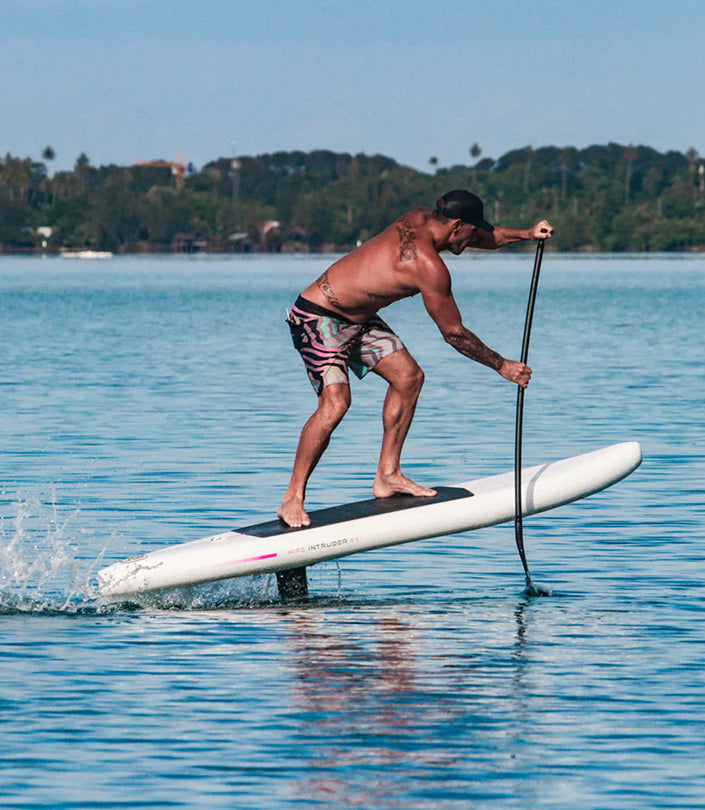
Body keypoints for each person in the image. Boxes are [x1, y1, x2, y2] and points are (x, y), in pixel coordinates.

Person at [278, 189, 554, 527]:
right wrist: (502, 365)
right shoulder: (428, 266)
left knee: (409, 378)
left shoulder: (422, 217)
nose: (473, 241)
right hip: (318, 316)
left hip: (358, 318)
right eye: (470, 232)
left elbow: (488, 235)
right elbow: (453, 333)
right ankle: (292, 499)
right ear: (456, 226)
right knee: (336, 403)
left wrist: (527, 234)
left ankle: (388, 475)